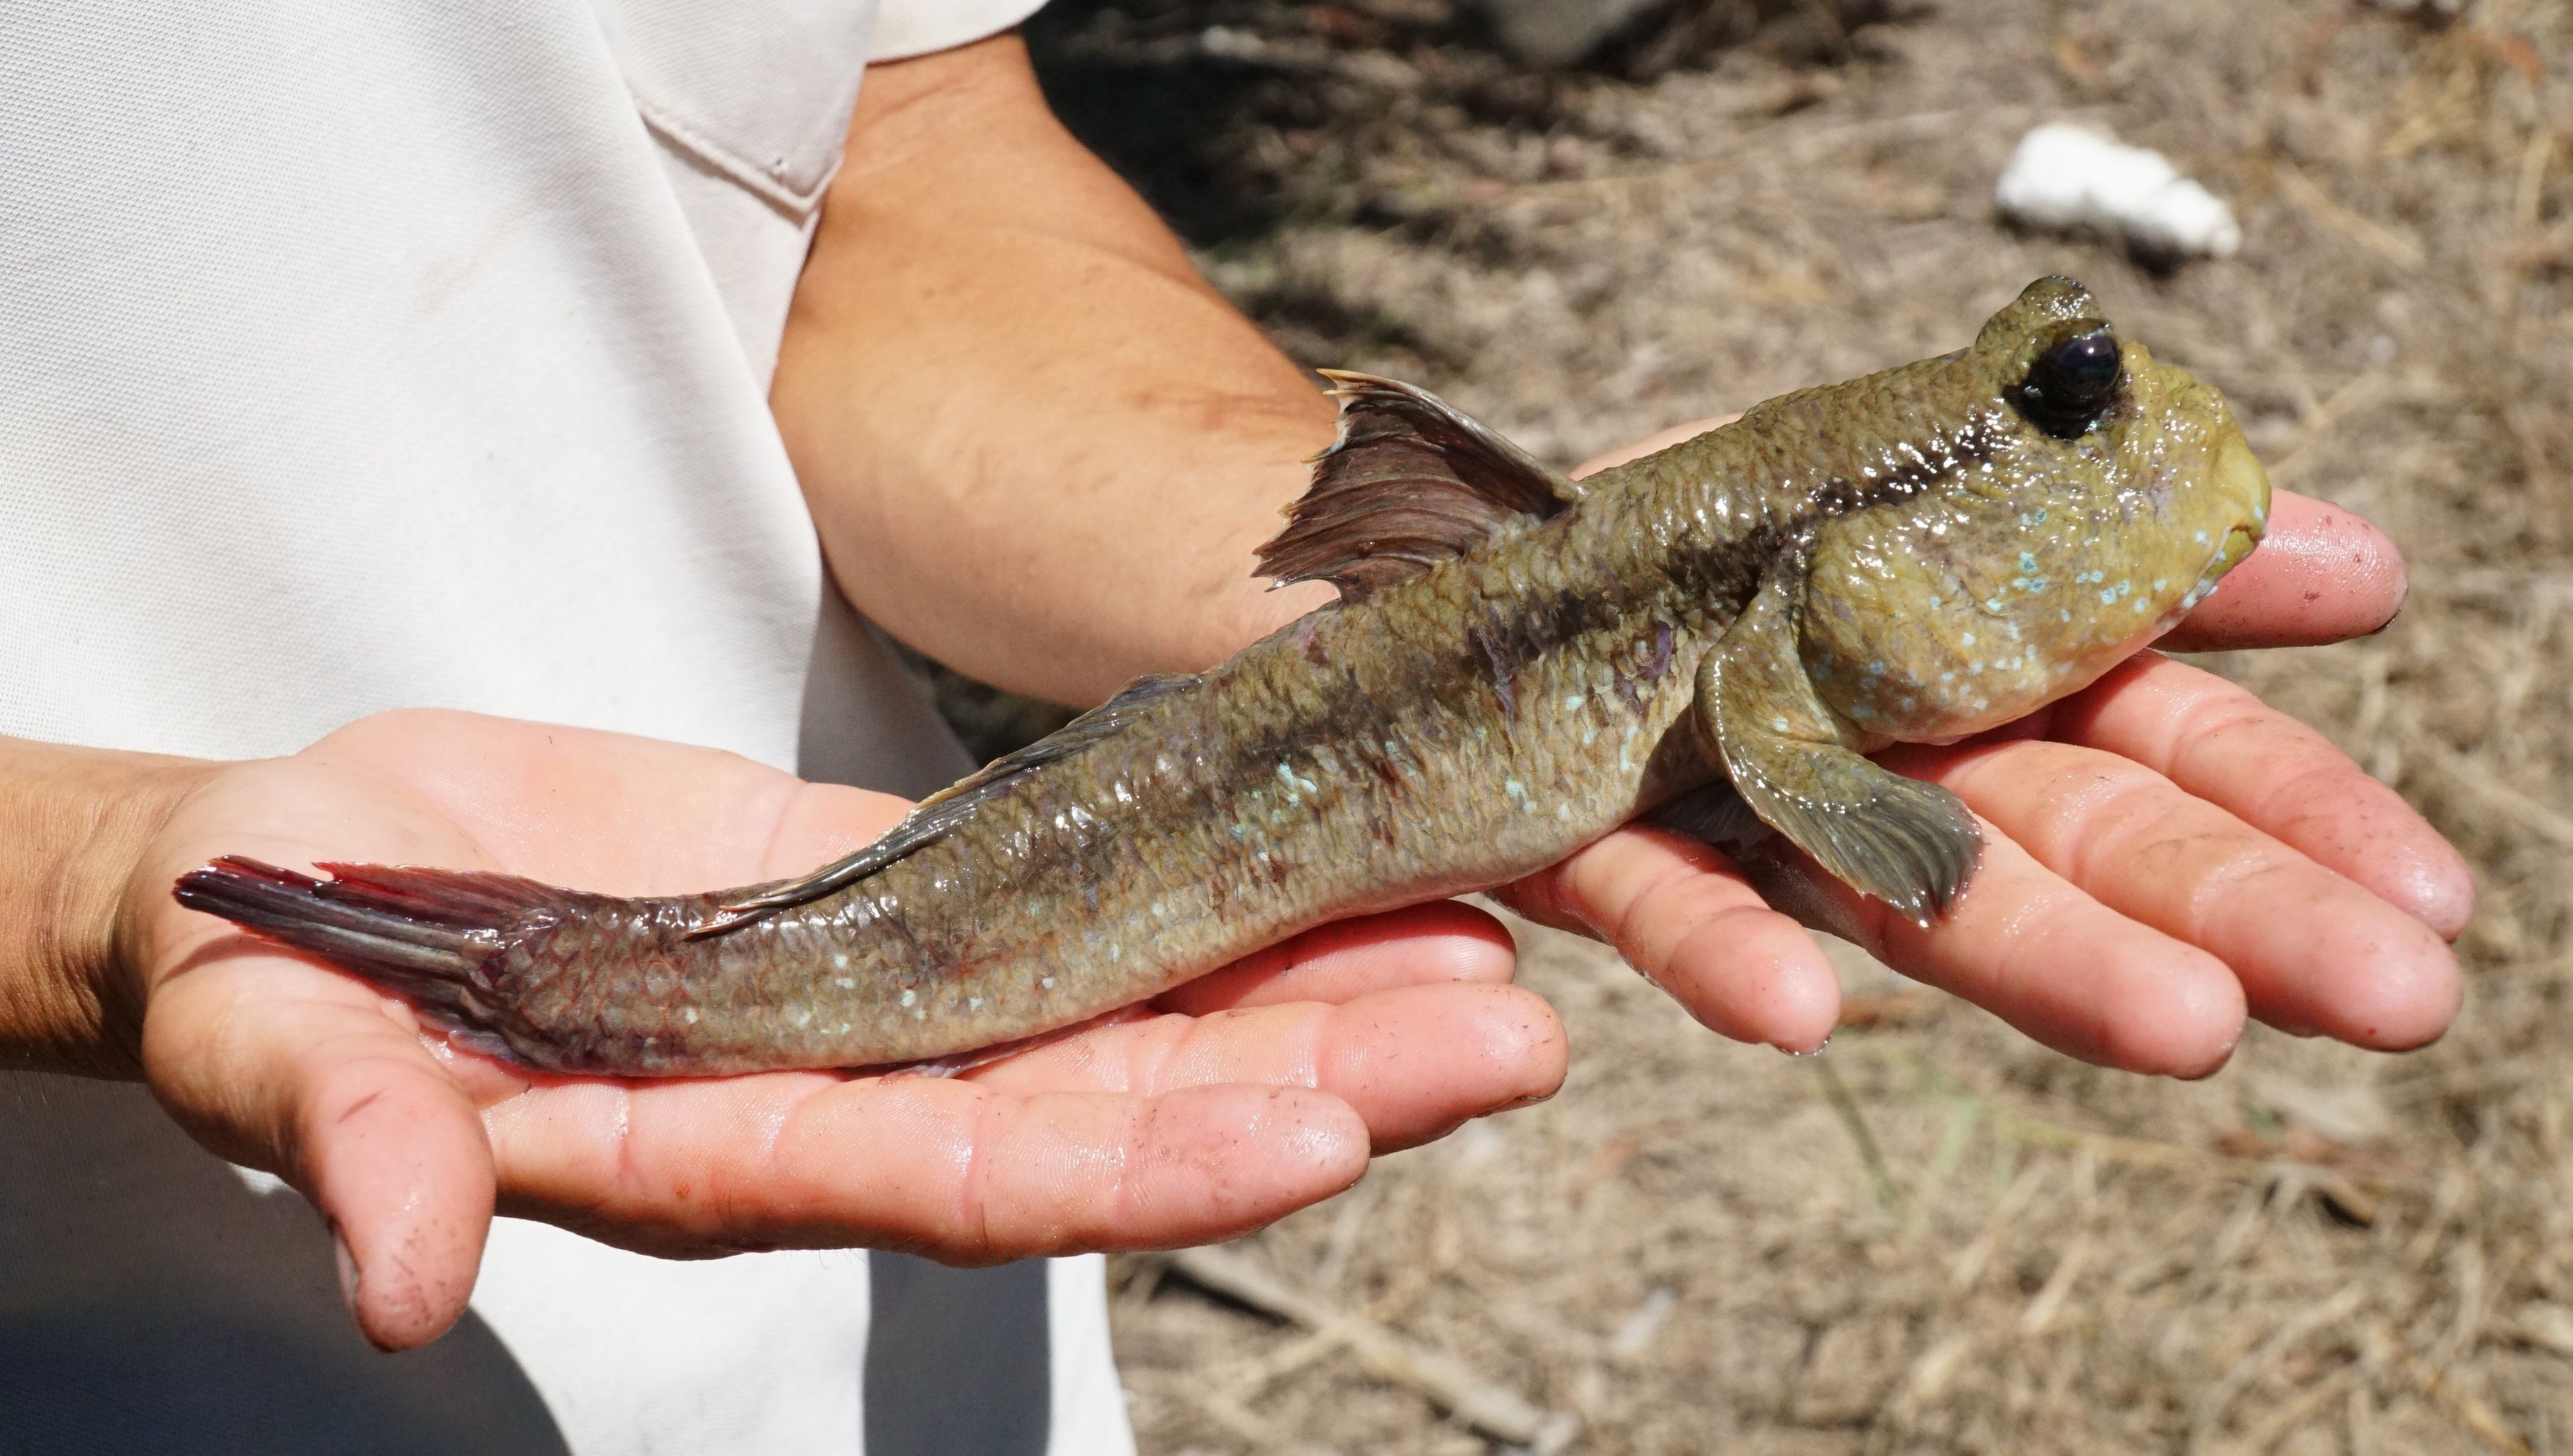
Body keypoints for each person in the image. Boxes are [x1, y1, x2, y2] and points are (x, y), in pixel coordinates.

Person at [0, 4, 2471, 1453]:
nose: (2117, 452)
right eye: (2058, 412)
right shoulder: (1779, 624)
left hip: (913, 1361)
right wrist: (90, 892)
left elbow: (869, 161)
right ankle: (529, 963)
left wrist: (1372, 555)